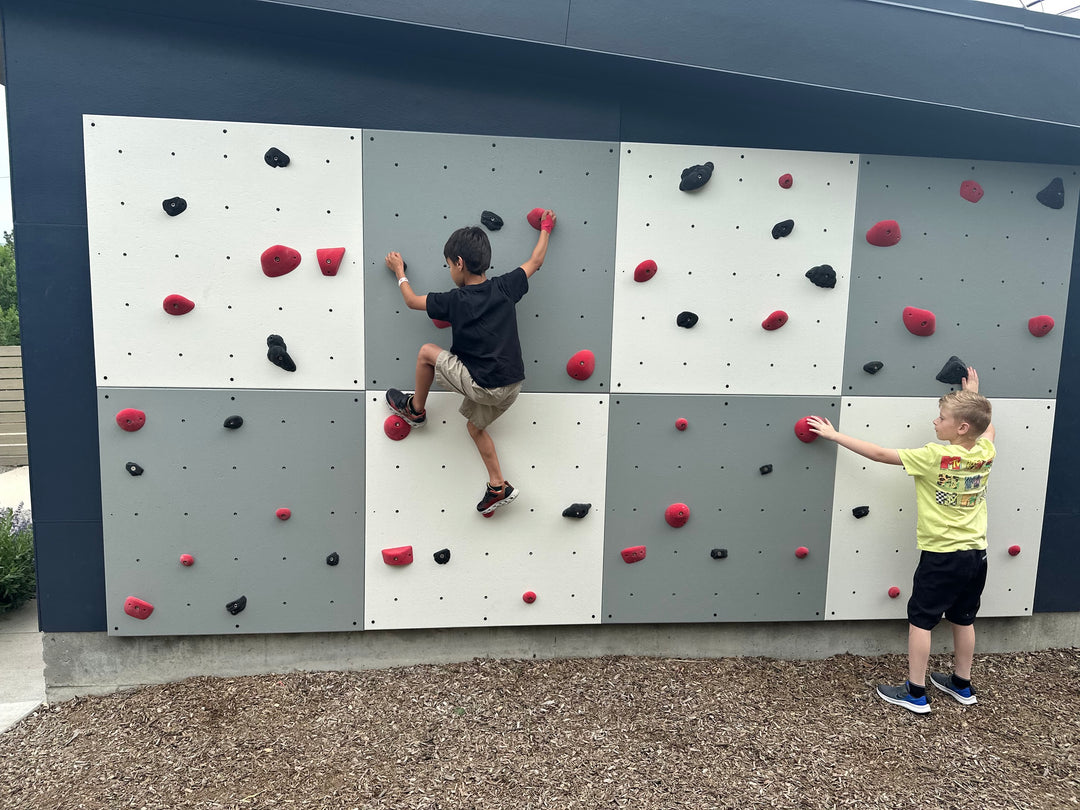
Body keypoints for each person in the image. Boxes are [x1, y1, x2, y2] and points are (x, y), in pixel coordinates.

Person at [806, 367, 995, 714]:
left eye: (942, 418)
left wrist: (834, 435)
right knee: (964, 618)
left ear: (961, 427)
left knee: (921, 620)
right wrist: (974, 395)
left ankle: (916, 693)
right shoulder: (985, 451)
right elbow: (988, 428)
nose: (935, 421)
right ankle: (962, 684)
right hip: (976, 555)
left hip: (941, 555)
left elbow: (880, 454)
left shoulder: (934, 456)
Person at [383, 209, 556, 516]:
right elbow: (536, 261)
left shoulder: (455, 300)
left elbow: (411, 300)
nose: (450, 270)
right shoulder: (506, 286)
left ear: (459, 263)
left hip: (483, 385)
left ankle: (415, 410)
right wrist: (545, 228)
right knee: (475, 428)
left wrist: (399, 272)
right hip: (512, 386)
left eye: (449, 265)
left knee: (426, 352)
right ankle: (498, 486)